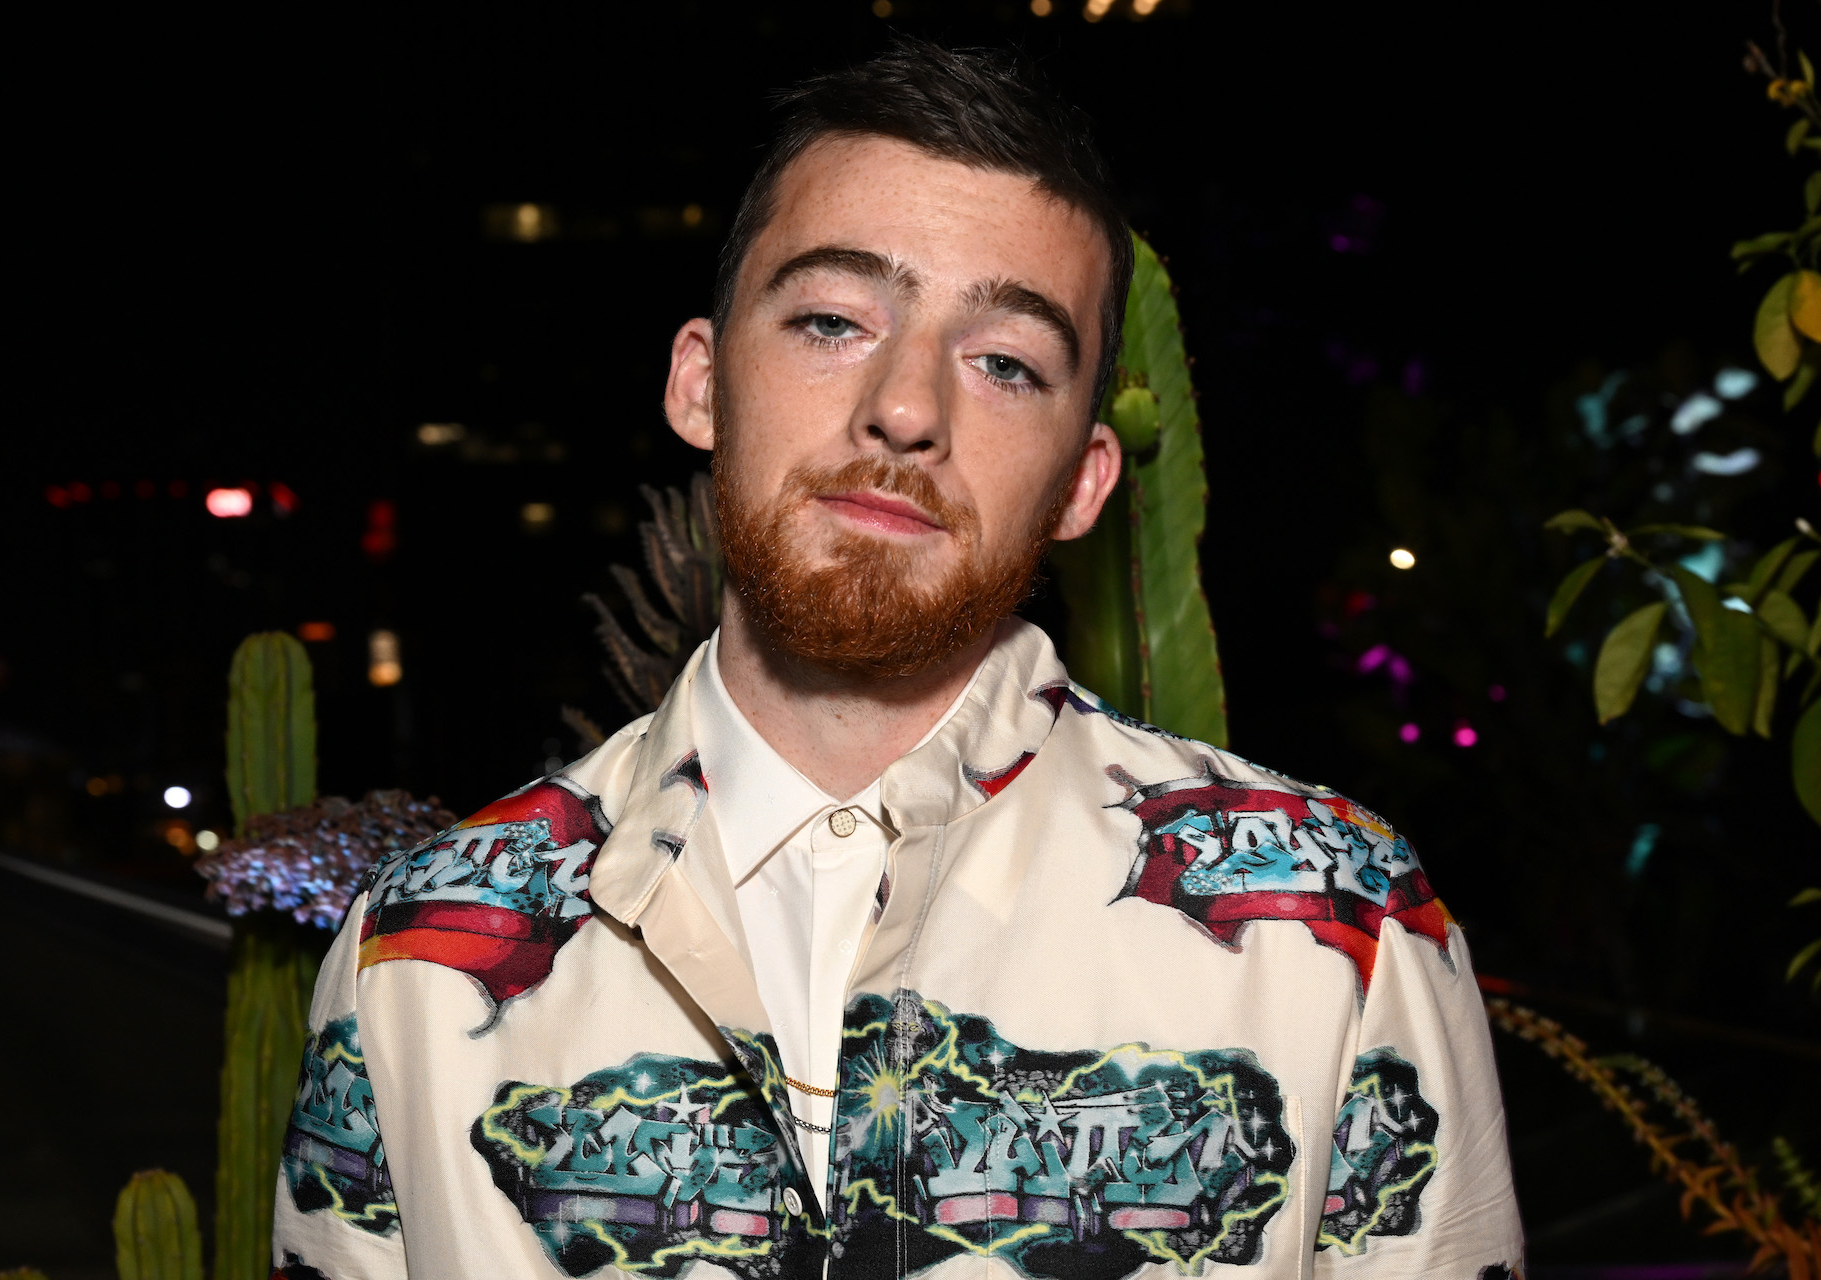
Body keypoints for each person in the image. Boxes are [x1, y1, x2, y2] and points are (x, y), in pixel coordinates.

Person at [272, 39, 1524, 1280]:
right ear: (702, 384)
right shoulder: (419, 962)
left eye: (1005, 363)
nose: (909, 407)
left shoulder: (1338, 929)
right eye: (830, 319)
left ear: (1086, 482)